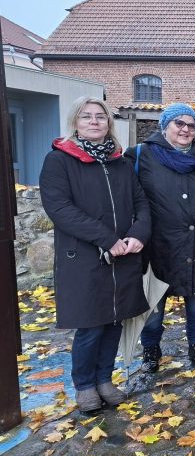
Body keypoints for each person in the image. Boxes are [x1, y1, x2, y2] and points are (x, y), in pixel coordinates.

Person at [40, 97, 151, 413]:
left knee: (114, 321)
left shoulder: (121, 163)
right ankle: (85, 385)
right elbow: (61, 209)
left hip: (123, 257)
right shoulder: (59, 161)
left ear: (108, 123)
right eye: (86, 116)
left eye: (100, 117)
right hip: (85, 257)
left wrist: (138, 235)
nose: (94, 121)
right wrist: (107, 239)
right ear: (75, 122)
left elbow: (141, 203)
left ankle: (105, 379)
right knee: (91, 325)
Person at [125, 103, 195, 372]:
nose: (186, 129)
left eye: (191, 125)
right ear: (165, 126)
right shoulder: (142, 156)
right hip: (157, 246)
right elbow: (130, 200)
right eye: (179, 124)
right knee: (154, 305)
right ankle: (151, 350)